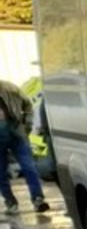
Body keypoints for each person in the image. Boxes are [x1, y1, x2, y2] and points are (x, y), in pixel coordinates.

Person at [0, 79, 51, 216]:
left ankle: (38, 199)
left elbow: (27, 105)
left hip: (16, 135)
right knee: (0, 174)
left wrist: (26, 125)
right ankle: (10, 202)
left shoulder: (10, 89)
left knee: (29, 167)